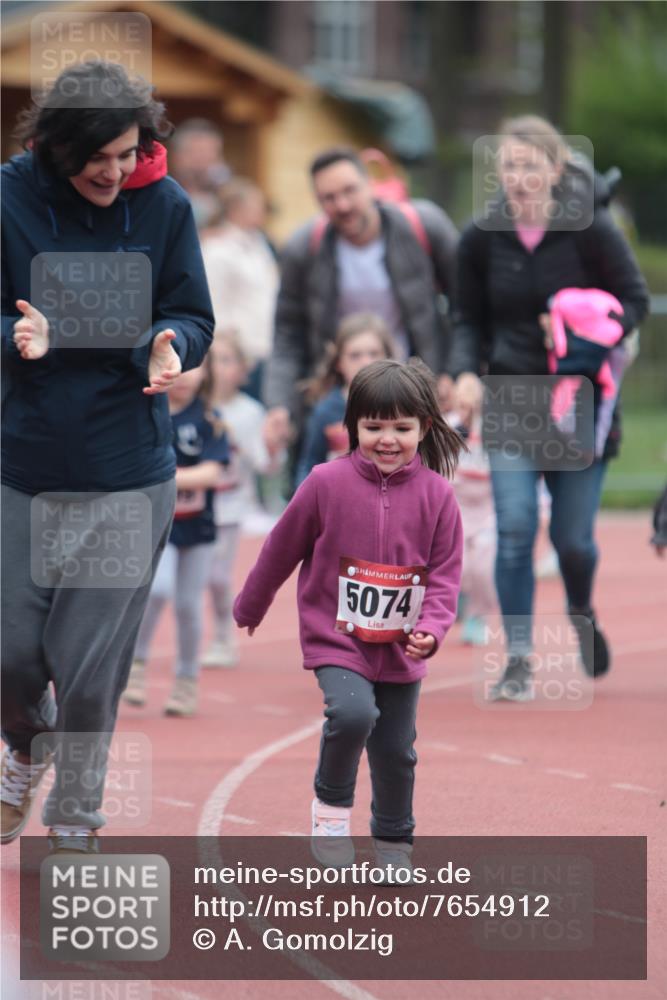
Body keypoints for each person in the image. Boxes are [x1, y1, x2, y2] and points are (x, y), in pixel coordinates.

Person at [1, 61, 214, 851]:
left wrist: (170, 342)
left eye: (129, 154)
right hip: (23, 466)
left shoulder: (165, 205)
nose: (117, 171)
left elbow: (193, 315)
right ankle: (27, 748)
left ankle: (75, 820)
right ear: (56, 145)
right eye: (99, 157)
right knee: (10, 656)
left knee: (88, 664)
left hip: (127, 471)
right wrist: (14, 336)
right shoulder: (8, 198)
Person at [449, 115, 650, 701]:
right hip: (511, 397)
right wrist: (465, 371)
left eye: (529, 165)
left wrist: (582, 331)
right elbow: (466, 319)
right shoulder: (480, 236)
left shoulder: (591, 229)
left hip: (579, 401)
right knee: (514, 529)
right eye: (508, 166)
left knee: (573, 542)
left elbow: (634, 301)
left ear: (556, 169)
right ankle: (517, 658)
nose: (517, 177)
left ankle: (581, 609)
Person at [234, 359, 463, 872]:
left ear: (424, 427)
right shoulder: (324, 483)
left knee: (396, 751)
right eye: (374, 426)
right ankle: (332, 809)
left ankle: (394, 844)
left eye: (401, 427)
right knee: (353, 713)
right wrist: (252, 602)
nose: (388, 439)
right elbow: (280, 549)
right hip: (337, 637)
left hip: (401, 648)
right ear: (353, 426)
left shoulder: (439, 497)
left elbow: (446, 576)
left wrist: (431, 629)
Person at [262, 147, 459, 467]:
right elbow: (287, 334)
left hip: (418, 391)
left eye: (349, 191)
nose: (342, 205)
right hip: (343, 399)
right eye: (329, 198)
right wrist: (279, 404)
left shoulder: (422, 226)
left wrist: (456, 371)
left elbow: (466, 308)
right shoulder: (304, 249)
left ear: (370, 185)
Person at [123, 358, 230, 714]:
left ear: (206, 371)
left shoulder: (209, 419)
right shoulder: (147, 413)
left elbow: (212, 473)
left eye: (193, 367)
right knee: (157, 589)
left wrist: (164, 477)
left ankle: (186, 681)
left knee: (188, 605)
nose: (183, 377)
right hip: (157, 526)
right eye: (177, 367)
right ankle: (135, 664)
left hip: (198, 530)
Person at [201, 331, 288, 669]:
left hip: (231, 506)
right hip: (193, 506)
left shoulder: (250, 413)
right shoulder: (192, 404)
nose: (218, 368)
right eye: (212, 360)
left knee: (218, 577)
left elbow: (265, 464)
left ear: (243, 369)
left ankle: (223, 636)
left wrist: (273, 446)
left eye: (226, 360)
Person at [201, 179, 279, 402]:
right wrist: (228, 350)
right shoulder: (217, 249)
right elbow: (213, 301)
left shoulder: (260, 243)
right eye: (256, 206)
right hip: (241, 352)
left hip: (265, 346)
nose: (262, 212)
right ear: (236, 210)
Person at [296, 312, 396, 485]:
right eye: (355, 355)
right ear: (339, 363)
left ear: (387, 357)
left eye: (374, 354)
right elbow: (309, 465)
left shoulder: (401, 406)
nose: (365, 362)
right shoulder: (326, 411)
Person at [168, 118, 231, 230]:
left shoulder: (228, 197)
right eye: (198, 152)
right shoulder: (165, 196)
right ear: (177, 156)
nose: (205, 161)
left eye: (212, 153)